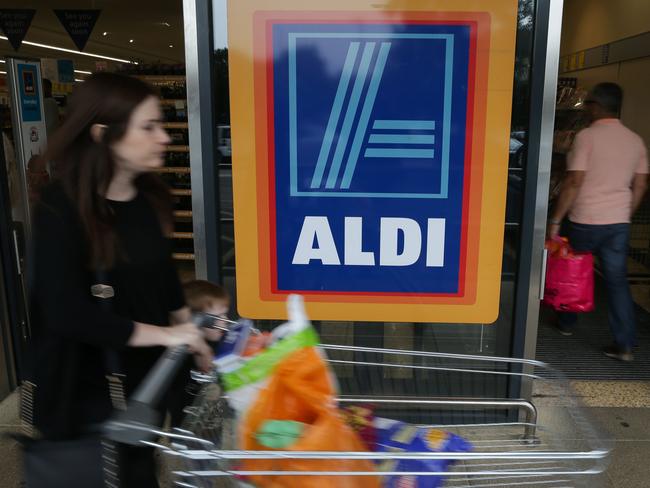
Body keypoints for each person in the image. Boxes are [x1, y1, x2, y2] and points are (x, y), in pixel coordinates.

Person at [27, 72, 212, 486]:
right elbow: (65, 313)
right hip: (84, 394)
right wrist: (166, 336)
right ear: (102, 134)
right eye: (149, 127)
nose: (163, 137)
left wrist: (192, 333)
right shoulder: (61, 209)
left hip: (142, 391)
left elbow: (164, 284)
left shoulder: (148, 201)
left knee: (138, 475)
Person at [548, 82, 649, 362]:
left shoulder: (587, 137)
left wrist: (556, 220)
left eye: (589, 103)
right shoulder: (635, 140)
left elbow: (574, 181)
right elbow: (641, 185)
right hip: (617, 223)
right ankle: (625, 344)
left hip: (585, 219)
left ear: (597, 106)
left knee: (573, 269)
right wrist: (625, 214)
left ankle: (567, 323)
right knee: (617, 282)